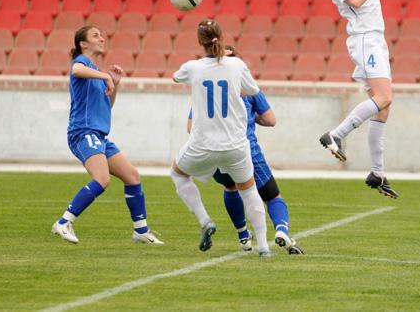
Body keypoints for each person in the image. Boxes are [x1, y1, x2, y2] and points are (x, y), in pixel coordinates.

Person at [52, 26, 163, 245]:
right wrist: (105, 76)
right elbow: (76, 70)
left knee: (132, 177)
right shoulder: (82, 63)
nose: (102, 38)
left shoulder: (95, 71)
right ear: (83, 44)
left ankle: (141, 231)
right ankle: (63, 222)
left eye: (101, 35)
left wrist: (115, 83)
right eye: (95, 36)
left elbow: (107, 106)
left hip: (99, 136)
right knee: (102, 180)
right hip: (83, 132)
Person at [187, 45, 304, 255]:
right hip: (244, 149)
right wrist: (251, 118)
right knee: (271, 195)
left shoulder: (205, 89)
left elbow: (190, 127)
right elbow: (270, 120)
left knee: (231, 188)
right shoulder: (247, 87)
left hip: (214, 150)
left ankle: (243, 236)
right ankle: (281, 230)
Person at [310, 0, 398, 199]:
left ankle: (377, 173)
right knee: (384, 97)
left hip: (375, 38)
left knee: (383, 108)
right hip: (364, 40)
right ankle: (336, 134)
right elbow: (357, 2)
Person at [171, 20, 271, 257]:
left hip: (202, 144)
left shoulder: (192, 67)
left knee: (178, 174)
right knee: (249, 191)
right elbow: (252, 90)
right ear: (221, 38)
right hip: (235, 144)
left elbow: (176, 77)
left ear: (199, 42)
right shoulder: (236, 64)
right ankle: (264, 246)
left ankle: (205, 220)